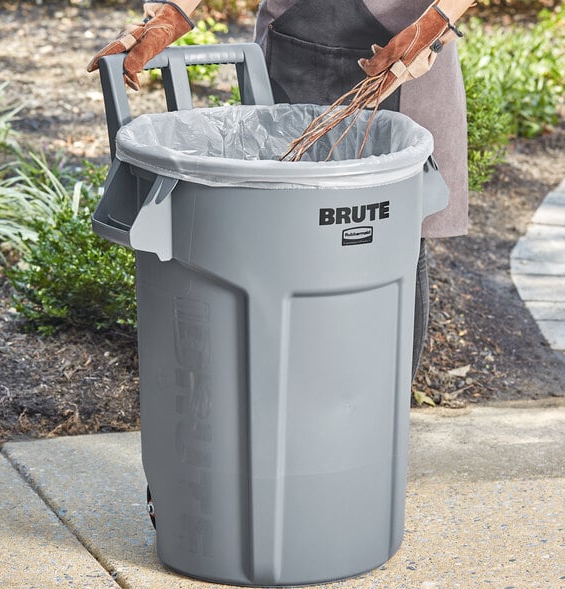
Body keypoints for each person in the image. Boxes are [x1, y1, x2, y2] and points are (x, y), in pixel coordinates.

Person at [88, 0, 470, 378]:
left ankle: (373, 413)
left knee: (396, 244)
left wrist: (436, 24)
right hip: (298, 40)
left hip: (415, 47)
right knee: (278, 240)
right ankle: (289, 406)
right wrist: (171, 12)